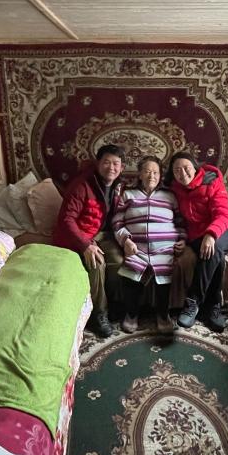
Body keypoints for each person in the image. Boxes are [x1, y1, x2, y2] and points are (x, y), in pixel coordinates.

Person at [52, 144, 126, 337]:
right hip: (80, 236)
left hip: (103, 235)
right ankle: (98, 314)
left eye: (116, 163)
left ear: (122, 167)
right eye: (107, 162)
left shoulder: (119, 185)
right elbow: (66, 219)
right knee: (97, 262)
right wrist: (85, 245)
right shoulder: (82, 185)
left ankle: (115, 305)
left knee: (118, 261)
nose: (111, 167)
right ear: (98, 163)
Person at [167, 151, 228, 330]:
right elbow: (176, 218)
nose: (182, 173)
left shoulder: (212, 182)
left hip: (227, 228)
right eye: (177, 170)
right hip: (196, 234)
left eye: (186, 168)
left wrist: (211, 234)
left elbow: (223, 213)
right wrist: (182, 237)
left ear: (195, 168)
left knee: (213, 248)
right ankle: (214, 306)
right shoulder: (174, 189)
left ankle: (192, 302)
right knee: (216, 255)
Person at [111, 156, 186, 335]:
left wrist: (182, 239)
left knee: (164, 274)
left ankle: (162, 315)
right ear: (140, 174)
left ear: (160, 176)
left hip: (165, 247)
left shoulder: (170, 196)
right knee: (131, 273)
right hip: (137, 246)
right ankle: (131, 314)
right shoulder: (128, 195)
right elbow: (117, 221)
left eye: (156, 172)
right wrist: (125, 240)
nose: (151, 175)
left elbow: (180, 221)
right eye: (147, 171)